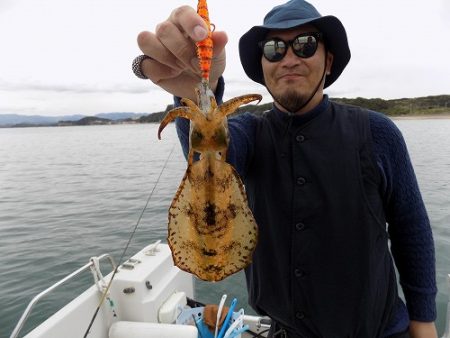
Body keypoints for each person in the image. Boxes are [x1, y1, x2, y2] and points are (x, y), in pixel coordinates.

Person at [133, 0, 438, 337]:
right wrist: (194, 91)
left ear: (329, 60)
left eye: (305, 44)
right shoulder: (249, 134)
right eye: (274, 49)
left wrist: (423, 320)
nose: (289, 58)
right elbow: (213, 158)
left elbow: (411, 228)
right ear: (262, 65)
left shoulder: (378, 133)